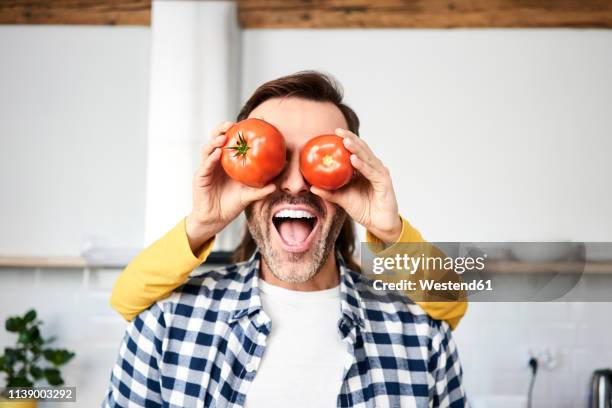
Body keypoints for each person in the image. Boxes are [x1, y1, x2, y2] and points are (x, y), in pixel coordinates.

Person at [103, 71, 468, 407]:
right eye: (274, 158)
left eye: (321, 156)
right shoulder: (167, 325)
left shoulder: (420, 335)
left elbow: (452, 299)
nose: (294, 184)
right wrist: (203, 221)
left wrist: (390, 231)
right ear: (237, 175)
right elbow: (123, 299)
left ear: (353, 176)